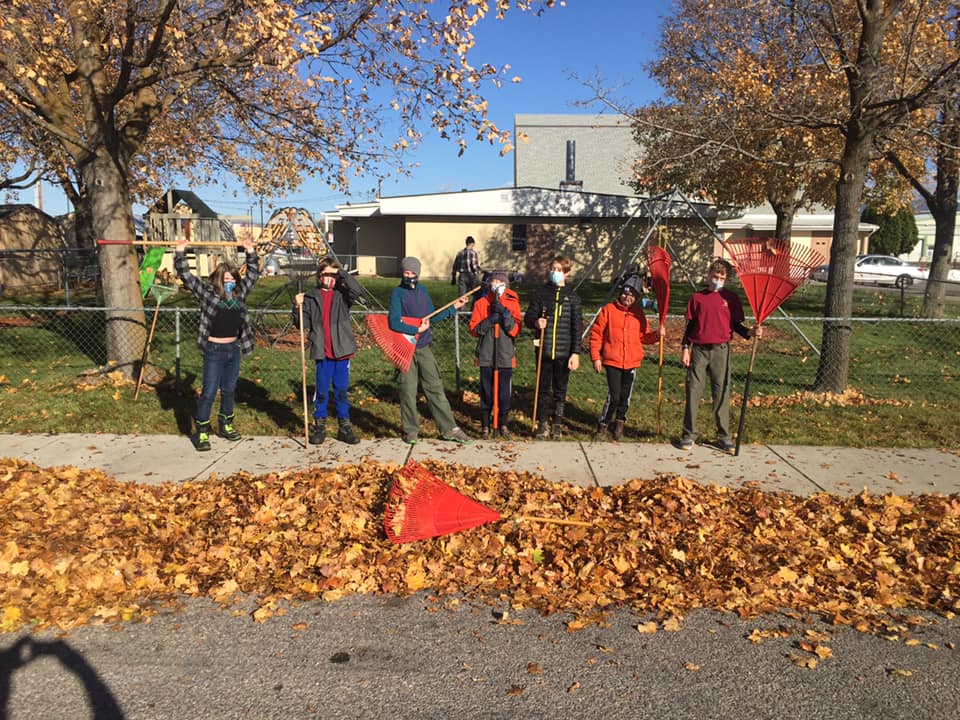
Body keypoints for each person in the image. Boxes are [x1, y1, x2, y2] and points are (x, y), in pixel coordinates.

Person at [175, 238, 259, 451]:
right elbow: (186, 277)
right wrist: (180, 252)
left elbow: (253, 275)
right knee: (210, 391)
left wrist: (250, 252)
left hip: (233, 348)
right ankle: (202, 431)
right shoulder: (207, 295)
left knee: (229, 389)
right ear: (219, 280)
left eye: (233, 278)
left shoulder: (239, 295)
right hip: (214, 349)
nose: (230, 281)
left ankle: (226, 424)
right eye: (226, 278)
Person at [679, 258, 759, 452]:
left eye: (722, 277)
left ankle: (723, 436)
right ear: (708, 276)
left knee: (721, 392)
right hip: (699, 350)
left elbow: (737, 326)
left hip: (721, 350)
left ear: (727, 279)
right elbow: (689, 327)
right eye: (715, 276)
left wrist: (750, 332)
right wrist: (685, 348)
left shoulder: (731, 299)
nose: (717, 280)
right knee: (693, 391)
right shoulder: (697, 298)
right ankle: (688, 435)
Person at [390, 256, 472, 445]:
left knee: (434, 388)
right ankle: (411, 431)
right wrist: (414, 330)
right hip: (405, 348)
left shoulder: (423, 291)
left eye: (412, 273)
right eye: (406, 272)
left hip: (424, 346)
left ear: (418, 274)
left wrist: (453, 307)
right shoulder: (397, 293)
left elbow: (431, 317)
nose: (409, 276)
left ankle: (450, 428)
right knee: (408, 390)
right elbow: (393, 322)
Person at [293, 258, 363, 445]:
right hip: (322, 350)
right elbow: (302, 323)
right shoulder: (311, 296)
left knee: (341, 390)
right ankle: (320, 425)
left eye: (333, 275)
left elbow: (357, 290)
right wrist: (296, 306)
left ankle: (344, 426)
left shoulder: (342, 295)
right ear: (319, 276)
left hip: (341, 350)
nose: (329, 278)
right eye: (326, 274)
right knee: (322, 390)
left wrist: (340, 273)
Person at [589, 275, 662, 441]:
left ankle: (620, 423)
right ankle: (604, 424)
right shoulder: (608, 310)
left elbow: (644, 336)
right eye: (625, 293)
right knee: (614, 396)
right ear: (621, 292)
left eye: (632, 295)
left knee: (625, 396)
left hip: (631, 361)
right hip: (612, 360)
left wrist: (657, 335)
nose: (627, 297)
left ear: (636, 297)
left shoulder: (638, 313)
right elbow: (596, 335)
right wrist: (596, 357)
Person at [524, 255, 583, 439]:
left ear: (567, 273)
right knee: (543, 388)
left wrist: (575, 353)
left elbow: (576, 328)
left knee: (560, 388)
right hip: (544, 349)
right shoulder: (541, 294)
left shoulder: (572, 298)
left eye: (559, 270)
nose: (555, 273)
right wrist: (536, 322)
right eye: (553, 269)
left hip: (564, 352)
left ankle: (557, 422)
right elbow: (528, 317)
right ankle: (542, 423)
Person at [469, 270, 522, 440]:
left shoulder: (513, 303)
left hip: (504, 354)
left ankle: (503, 424)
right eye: (493, 281)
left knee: (504, 392)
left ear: (505, 285)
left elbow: (515, 330)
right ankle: (485, 425)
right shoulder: (481, 303)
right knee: (487, 391)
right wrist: (490, 320)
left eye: (500, 281)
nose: (496, 284)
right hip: (487, 354)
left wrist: (505, 314)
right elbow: (474, 330)